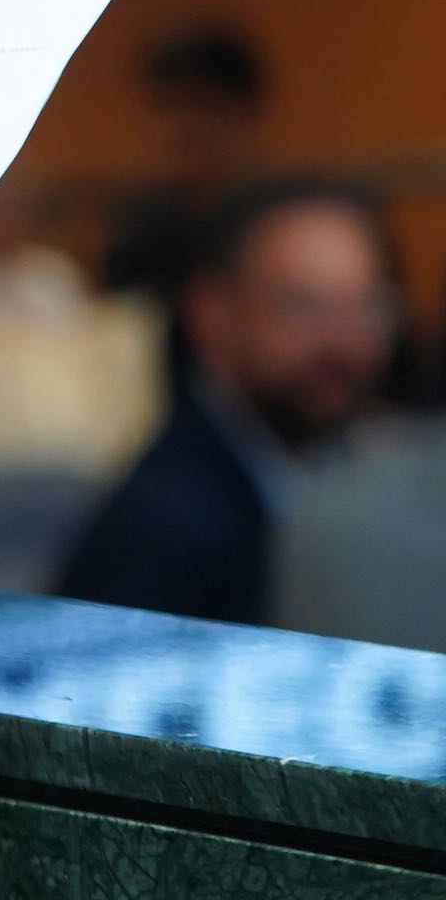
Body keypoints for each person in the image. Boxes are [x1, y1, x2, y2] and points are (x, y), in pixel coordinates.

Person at [54, 179, 404, 626]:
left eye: (367, 305)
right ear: (212, 312)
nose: (342, 339)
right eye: (302, 305)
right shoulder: (166, 527)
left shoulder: (345, 467)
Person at [96, 20, 270, 322]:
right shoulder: (138, 234)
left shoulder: (281, 226)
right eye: (164, 107)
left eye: (198, 104)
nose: (179, 127)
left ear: (243, 112)